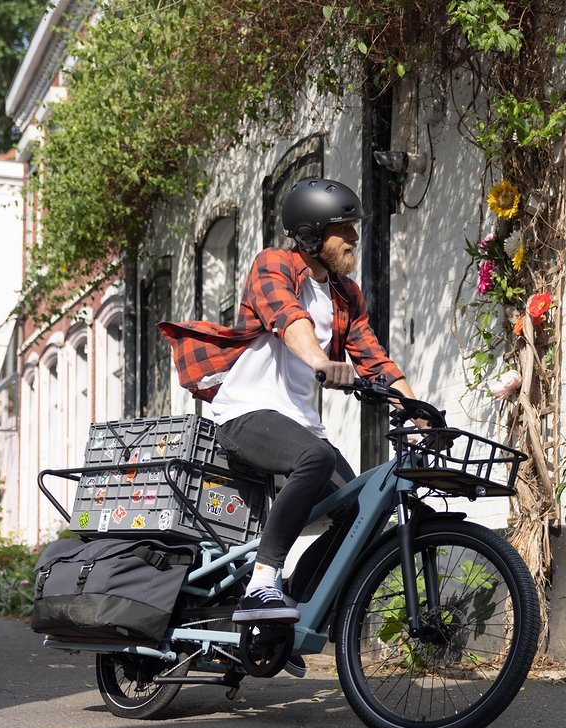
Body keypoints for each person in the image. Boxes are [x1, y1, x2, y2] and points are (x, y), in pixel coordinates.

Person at [159, 178, 419, 624]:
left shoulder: (344, 294)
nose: (354, 238)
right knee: (314, 458)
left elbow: (374, 359)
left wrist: (418, 413)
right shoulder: (273, 264)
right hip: (246, 413)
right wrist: (321, 360)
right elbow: (287, 317)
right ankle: (262, 583)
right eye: (345, 229)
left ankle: (293, 608)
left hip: (299, 424)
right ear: (313, 233)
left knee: (359, 513)